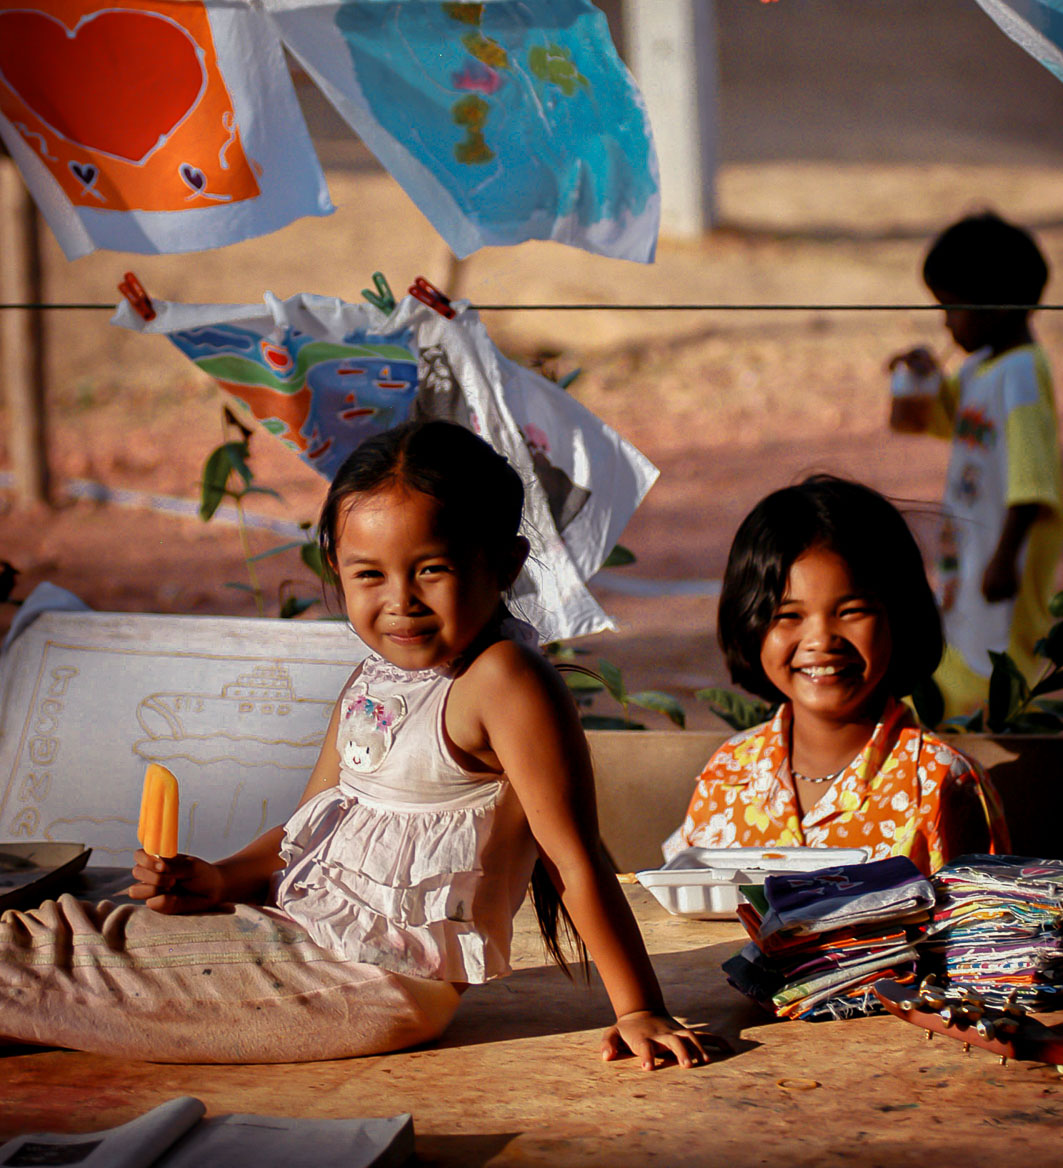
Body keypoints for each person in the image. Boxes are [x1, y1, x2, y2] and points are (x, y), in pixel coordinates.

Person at [0, 420, 707, 1073]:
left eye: (432, 569)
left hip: (368, 981)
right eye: (370, 575)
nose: (400, 600)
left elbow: (574, 857)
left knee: (38, 954)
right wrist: (216, 878)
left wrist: (638, 1008)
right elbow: (307, 830)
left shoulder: (502, 681)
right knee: (67, 902)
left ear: (505, 564)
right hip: (301, 932)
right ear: (335, 567)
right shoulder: (374, 679)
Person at [667, 475, 1008, 875]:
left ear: (900, 616)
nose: (821, 640)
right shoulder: (727, 774)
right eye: (788, 616)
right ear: (749, 624)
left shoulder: (941, 784)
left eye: (850, 612)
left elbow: (985, 931)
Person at [890, 211, 1062, 720]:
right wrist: (921, 380)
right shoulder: (979, 366)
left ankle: (1005, 721)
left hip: (1006, 542)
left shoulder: (1022, 375)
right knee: (968, 621)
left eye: (952, 307)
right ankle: (963, 700)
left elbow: (1034, 477)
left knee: (1002, 635)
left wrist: (1006, 555)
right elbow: (946, 423)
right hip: (977, 536)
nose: (945, 322)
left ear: (1000, 306)